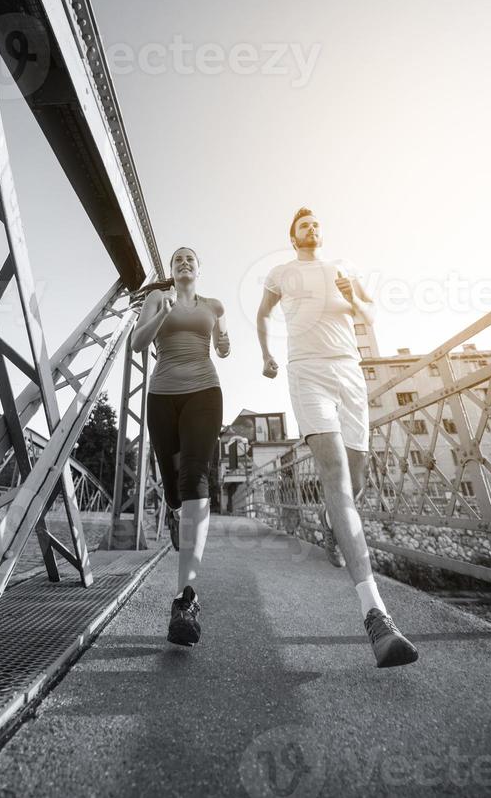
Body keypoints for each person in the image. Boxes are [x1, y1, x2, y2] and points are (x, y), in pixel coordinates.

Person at [256, 208, 418, 668]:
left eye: (315, 224)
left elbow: (370, 313)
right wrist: (267, 354)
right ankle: (376, 614)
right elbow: (262, 314)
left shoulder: (343, 268)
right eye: (303, 225)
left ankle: (333, 526)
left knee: (356, 477)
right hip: (307, 373)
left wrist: (355, 299)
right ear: (292, 237)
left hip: (349, 371)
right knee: (336, 478)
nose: (312, 228)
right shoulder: (280, 272)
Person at [132, 247, 229, 646]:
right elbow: (137, 344)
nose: (185, 263)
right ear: (171, 272)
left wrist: (223, 339)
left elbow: (224, 348)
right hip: (163, 395)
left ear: (199, 269)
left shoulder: (214, 305)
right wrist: (162, 313)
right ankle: (174, 512)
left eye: (191, 259)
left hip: (205, 392)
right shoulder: (159, 298)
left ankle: (185, 598)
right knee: (174, 486)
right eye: (178, 261)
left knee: (195, 476)